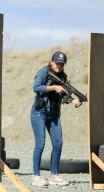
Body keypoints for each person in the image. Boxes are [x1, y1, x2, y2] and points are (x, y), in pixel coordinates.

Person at [30, 51, 82, 187]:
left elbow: (63, 97)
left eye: (61, 64)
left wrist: (74, 101)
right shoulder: (44, 72)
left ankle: (54, 175)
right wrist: (54, 87)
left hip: (53, 114)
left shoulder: (63, 77)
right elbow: (36, 87)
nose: (59, 66)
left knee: (58, 144)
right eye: (57, 63)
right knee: (40, 143)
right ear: (51, 62)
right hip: (39, 112)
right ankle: (36, 176)